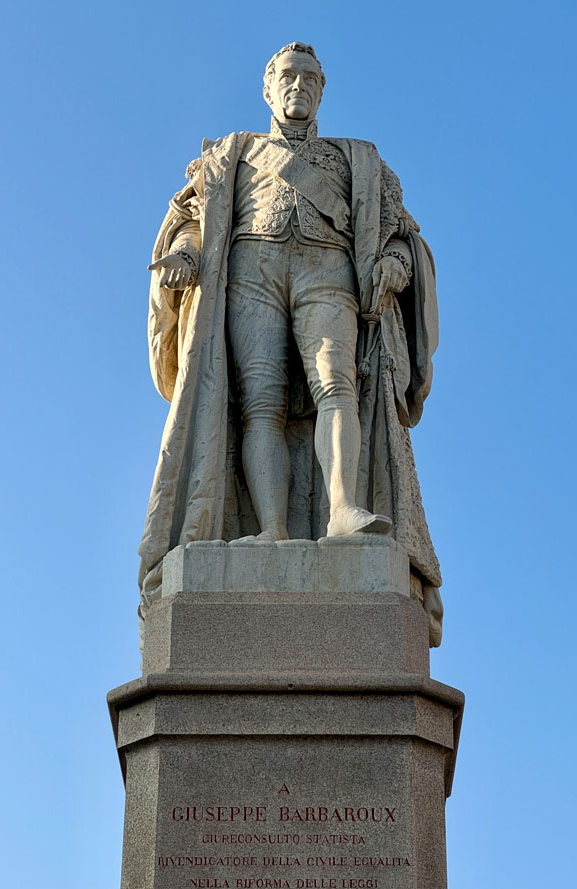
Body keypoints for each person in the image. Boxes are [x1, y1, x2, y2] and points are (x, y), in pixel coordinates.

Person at [139, 42, 443, 646]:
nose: (297, 86)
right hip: (250, 269)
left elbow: (401, 235)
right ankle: (272, 528)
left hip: (328, 269)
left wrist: (396, 266)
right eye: (287, 77)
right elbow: (197, 219)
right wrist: (186, 254)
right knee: (261, 405)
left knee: (339, 385)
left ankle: (341, 512)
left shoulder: (358, 160)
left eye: (309, 78)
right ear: (268, 88)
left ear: (322, 90)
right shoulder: (233, 154)